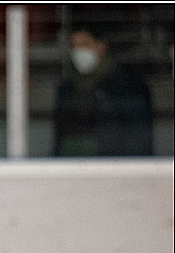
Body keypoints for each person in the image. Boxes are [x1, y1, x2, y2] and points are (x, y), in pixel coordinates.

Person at [53, 26, 153, 156]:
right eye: (74, 45)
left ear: (101, 45)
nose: (78, 51)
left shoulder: (130, 86)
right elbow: (58, 138)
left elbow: (140, 139)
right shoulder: (66, 88)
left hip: (114, 168)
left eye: (85, 44)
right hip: (70, 168)